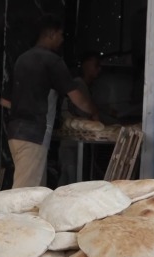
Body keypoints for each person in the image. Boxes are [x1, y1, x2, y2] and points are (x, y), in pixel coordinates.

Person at [2, 15, 99, 188]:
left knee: (35, 190)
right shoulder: (52, 61)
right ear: (51, 34)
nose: (62, 39)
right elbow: (76, 97)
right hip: (33, 135)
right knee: (24, 194)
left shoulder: (22, 59)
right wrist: (94, 112)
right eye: (61, 34)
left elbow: (4, 100)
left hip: (15, 134)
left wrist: (25, 107)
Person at [58, 51, 102, 185]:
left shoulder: (86, 86)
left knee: (68, 180)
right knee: (71, 181)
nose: (99, 69)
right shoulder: (77, 84)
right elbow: (82, 108)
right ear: (86, 65)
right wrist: (95, 113)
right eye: (96, 65)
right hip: (71, 142)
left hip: (77, 143)